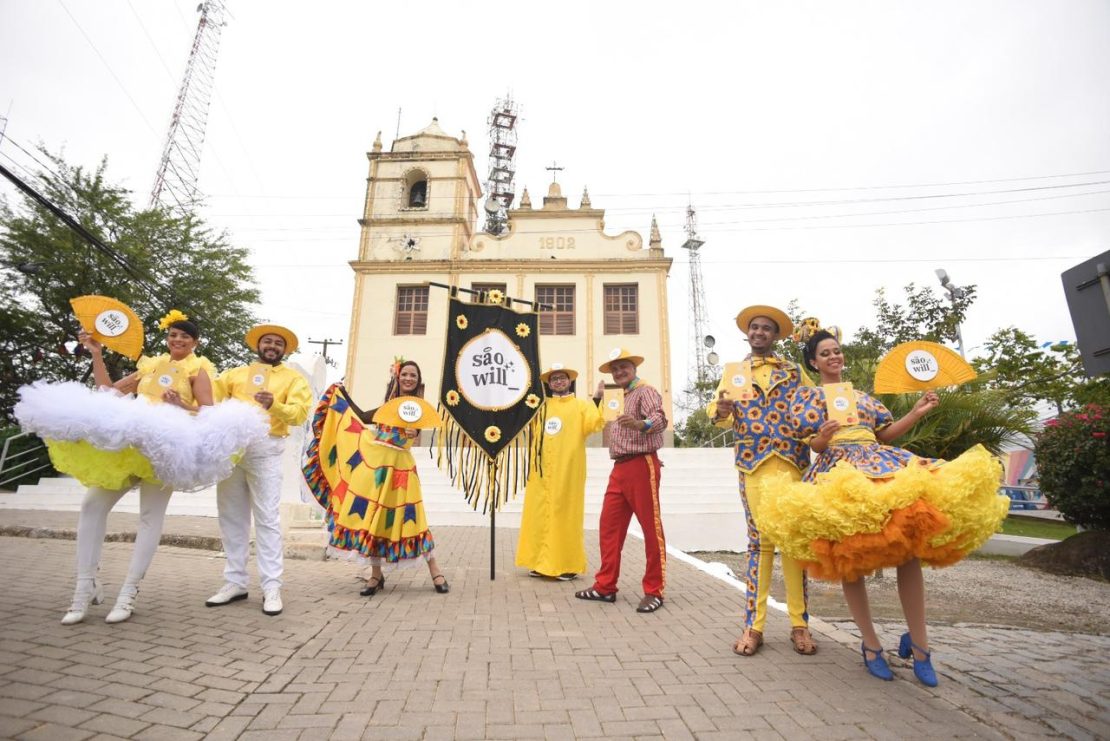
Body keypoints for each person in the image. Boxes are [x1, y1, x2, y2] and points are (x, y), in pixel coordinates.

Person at [755, 327, 1008, 685]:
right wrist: (822, 438)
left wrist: (917, 412)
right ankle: (871, 645)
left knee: (908, 550)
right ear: (813, 361)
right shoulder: (807, 398)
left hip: (881, 464)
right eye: (825, 353)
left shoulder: (862, 397)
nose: (834, 357)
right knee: (849, 559)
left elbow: (885, 434)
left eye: (837, 351)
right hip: (839, 473)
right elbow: (812, 444)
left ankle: (920, 646)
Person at [14, 310, 267, 625]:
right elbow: (108, 391)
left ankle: (128, 593)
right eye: (173, 334)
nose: (178, 340)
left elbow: (208, 413)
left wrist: (181, 405)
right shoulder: (150, 364)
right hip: (132, 446)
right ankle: (84, 587)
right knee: (92, 506)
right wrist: (96, 354)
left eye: (185, 336)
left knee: (149, 518)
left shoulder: (199, 369)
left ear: (195, 342)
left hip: (167, 449)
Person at [711, 305, 818, 657]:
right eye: (754, 328)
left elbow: (813, 409)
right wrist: (723, 413)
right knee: (759, 544)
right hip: (753, 464)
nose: (759, 333)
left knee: (793, 544)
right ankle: (753, 626)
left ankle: (799, 624)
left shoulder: (794, 371)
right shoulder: (735, 372)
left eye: (766, 329)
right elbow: (717, 412)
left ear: (775, 336)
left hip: (790, 463)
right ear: (748, 333)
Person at [303, 360, 449, 595]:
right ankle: (375, 575)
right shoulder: (386, 408)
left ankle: (436, 571)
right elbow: (359, 415)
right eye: (405, 374)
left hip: (402, 470)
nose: (409, 378)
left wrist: (414, 431)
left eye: (413, 375)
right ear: (398, 377)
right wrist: (341, 394)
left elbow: (416, 430)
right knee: (375, 517)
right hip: (377, 468)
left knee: (413, 519)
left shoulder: (418, 408)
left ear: (418, 380)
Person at [204, 324, 313, 616]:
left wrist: (274, 404)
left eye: (278, 343)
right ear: (258, 345)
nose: (272, 346)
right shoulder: (236, 374)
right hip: (233, 449)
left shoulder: (293, 379)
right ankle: (234, 582)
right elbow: (210, 399)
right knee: (231, 517)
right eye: (268, 341)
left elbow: (300, 413)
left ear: (285, 350)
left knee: (267, 518)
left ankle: (271, 586)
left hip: (267, 448)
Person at [574, 348, 668, 613]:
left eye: (623, 367)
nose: (619, 372)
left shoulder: (645, 391)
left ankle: (654, 590)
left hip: (642, 463)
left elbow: (660, 418)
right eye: (615, 369)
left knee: (651, 528)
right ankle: (605, 586)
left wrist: (642, 425)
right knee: (609, 526)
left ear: (634, 368)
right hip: (619, 467)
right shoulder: (617, 397)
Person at [516, 363, 605, 581]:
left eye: (562, 377)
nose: (558, 381)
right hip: (541, 473)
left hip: (568, 471)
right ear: (549, 383)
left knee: (565, 515)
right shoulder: (541, 407)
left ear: (569, 381)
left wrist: (597, 398)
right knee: (538, 515)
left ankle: (567, 565)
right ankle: (539, 562)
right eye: (554, 378)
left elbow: (594, 424)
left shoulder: (581, 406)